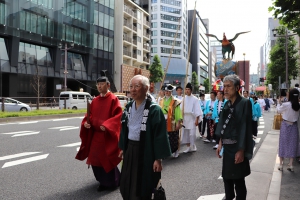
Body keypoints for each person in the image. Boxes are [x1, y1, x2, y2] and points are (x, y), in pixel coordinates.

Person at [119, 75, 171, 200]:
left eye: (137, 86)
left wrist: (158, 158)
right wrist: (122, 147)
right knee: (127, 182)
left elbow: (160, 135)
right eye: (131, 86)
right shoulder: (129, 107)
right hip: (130, 149)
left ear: (146, 88)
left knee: (142, 185)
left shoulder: (154, 109)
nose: (133, 90)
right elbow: (125, 128)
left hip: (146, 151)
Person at [75, 71, 123, 192]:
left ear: (108, 85)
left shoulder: (113, 99)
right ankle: (102, 182)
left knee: (107, 159)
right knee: (95, 159)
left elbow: (118, 116)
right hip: (96, 135)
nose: (99, 86)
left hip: (107, 135)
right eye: (98, 84)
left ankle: (114, 181)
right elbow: (89, 116)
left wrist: (107, 125)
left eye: (102, 84)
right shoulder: (95, 100)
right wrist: (86, 123)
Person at [215, 74, 253, 200]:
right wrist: (220, 142)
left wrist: (241, 150)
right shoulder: (226, 104)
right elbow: (222, 125)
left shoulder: (245, 103)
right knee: (227, 178)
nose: (225, 89)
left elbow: (245, 127)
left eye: (228, 86)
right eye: (224, 86)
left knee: (238, 180)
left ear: (237, 87)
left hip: (238, 146)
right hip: (228, 148)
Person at [277, 88, 300, 172]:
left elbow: (278, 111)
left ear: (290, 95)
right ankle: (291, 164)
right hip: (294, 126)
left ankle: (280, 164)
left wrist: (279, 102)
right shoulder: (298, 105)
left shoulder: (286, 104)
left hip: (285, 125)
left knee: (282, 144)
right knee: (293, 145)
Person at [160, 84, 183, 158]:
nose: (167, 92)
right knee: (164, 137)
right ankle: (166, 151)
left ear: (171, 91)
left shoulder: (175, 101)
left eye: (168, 91)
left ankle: (175, 151)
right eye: (165, 91)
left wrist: (178, 122)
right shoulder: (161, 100)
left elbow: (178, 112)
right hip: (163, 120)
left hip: (172, 121)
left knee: (173, 137)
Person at [181, 82, 202, 153]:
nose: (187, 91)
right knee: (186, 133)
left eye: (188, 89)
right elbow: (181, 109)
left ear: (191, 90)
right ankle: (188, 147)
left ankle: (192, 145)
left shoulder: (195, 99)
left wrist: (196, 119)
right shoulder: (183, 98)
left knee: (192, 134)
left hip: (192, 117)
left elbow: (197, 110)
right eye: (186, 89)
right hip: (185, 118)